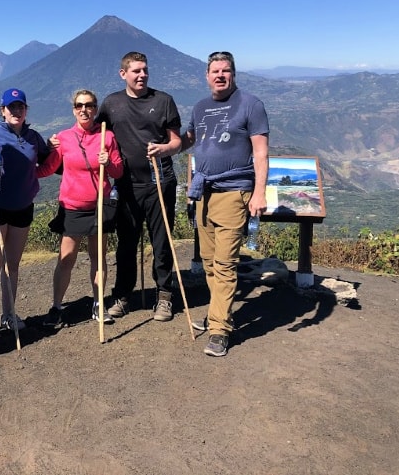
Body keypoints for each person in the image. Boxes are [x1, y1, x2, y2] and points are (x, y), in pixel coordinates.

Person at [180, 51, 269, 357]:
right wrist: (165, 145)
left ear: (234, 74)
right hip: (203, 192)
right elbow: (189, 139)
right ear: (207, 76)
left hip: (234, 191)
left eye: (225, 71)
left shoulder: (251, 104)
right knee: (207, 261)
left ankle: (220, 328)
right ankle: (219, 311)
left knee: (225, 263)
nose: (220, 75)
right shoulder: (201, 107)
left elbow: (260, 152)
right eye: (215, 71)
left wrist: (259, 192)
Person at [96, 52, 182, 322]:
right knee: (126, 244)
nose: (142, 75)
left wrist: (164, 148)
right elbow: (98, 135)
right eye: (136, 71)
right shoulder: (111, 104)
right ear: (123, 74)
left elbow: (176, 142)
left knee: (162, 242)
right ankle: (122, 295)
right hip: (126, 185)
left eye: (145, 70)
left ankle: (165, 295)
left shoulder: (163, 100)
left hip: (160, 182)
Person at [0, 88, 58, 336]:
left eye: (21, 107)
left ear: (26, 110)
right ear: (3, 111)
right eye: (11, 107)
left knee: (13, 264)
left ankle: (9, 314)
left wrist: (53, 148)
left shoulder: (32, 137)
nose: (16, 111)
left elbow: (46, 159)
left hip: (23, 206)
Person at [41, 89, 124, 328]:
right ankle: (57, 306)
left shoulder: (106, 136)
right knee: (66, 259)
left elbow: (118, 172)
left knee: (98, 257)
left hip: (100, 205)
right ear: (73, 109)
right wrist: (22, 174)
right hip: (73, 207)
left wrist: (108, 163)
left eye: (89, 105)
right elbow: (48, 168)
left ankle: (99, 304)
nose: (84, 109)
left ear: (96, 109)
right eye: (79, 105)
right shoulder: (64, 138)